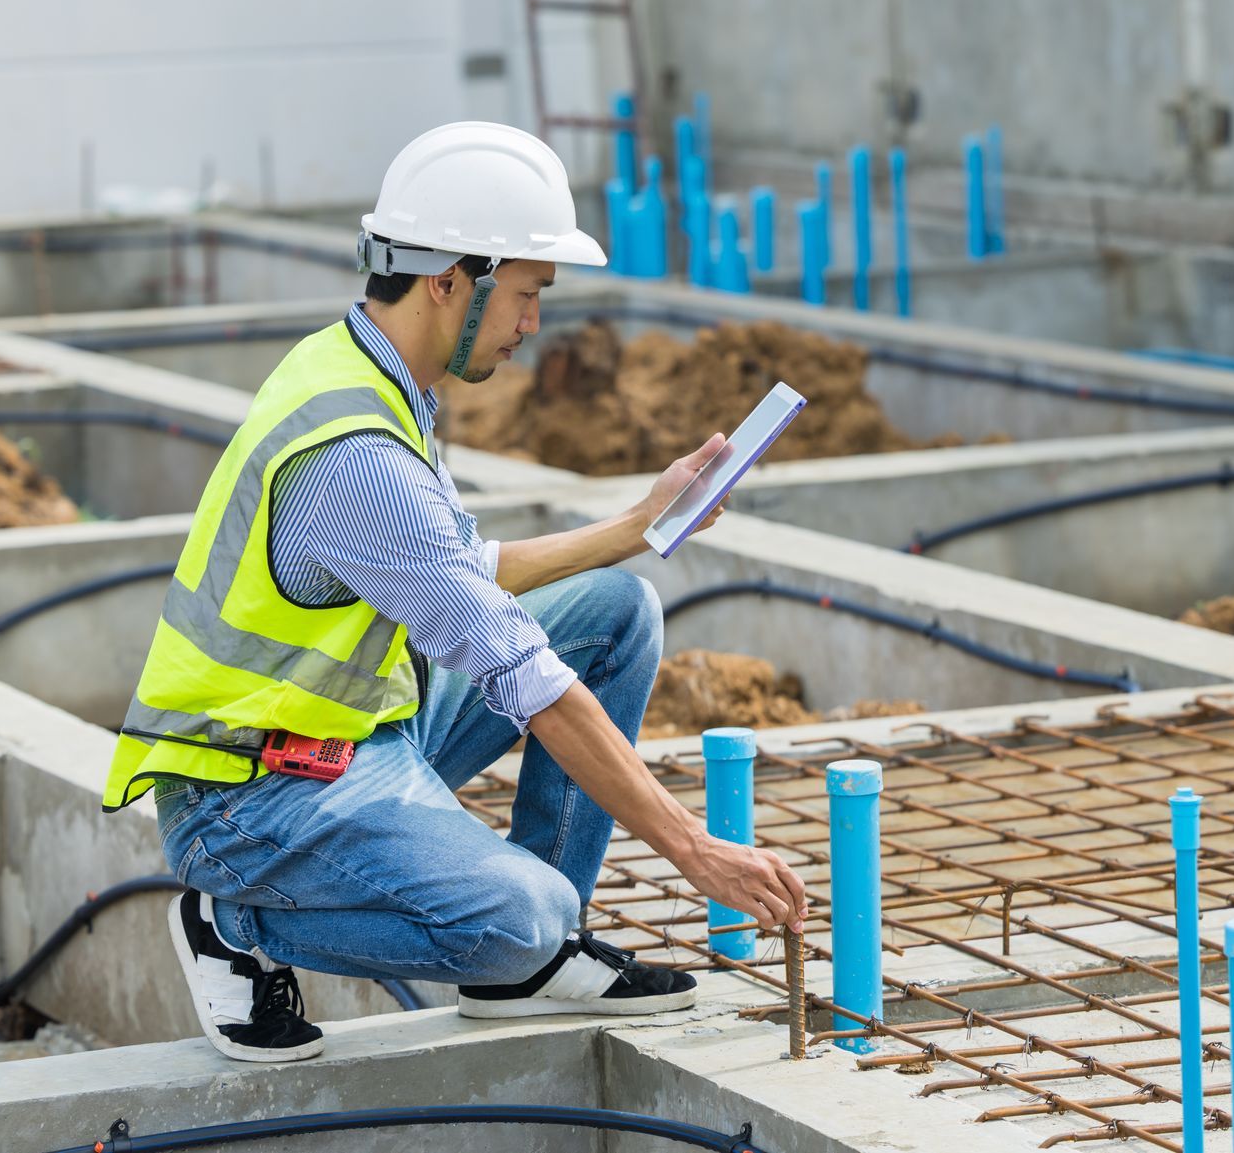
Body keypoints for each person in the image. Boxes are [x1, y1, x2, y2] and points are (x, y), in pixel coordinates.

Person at [101, 121, 807, 1063]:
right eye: (525, 294)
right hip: (248, 792)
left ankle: (533, 964)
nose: (532, 325)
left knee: (617, 609)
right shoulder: (355, 454)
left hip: (349, 730)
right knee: (526, 913)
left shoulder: (367, 371)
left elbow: (459, 568)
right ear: (449, 283)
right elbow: (521, 672)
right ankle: (239, 920)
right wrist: (692, 845)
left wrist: (639, 524)